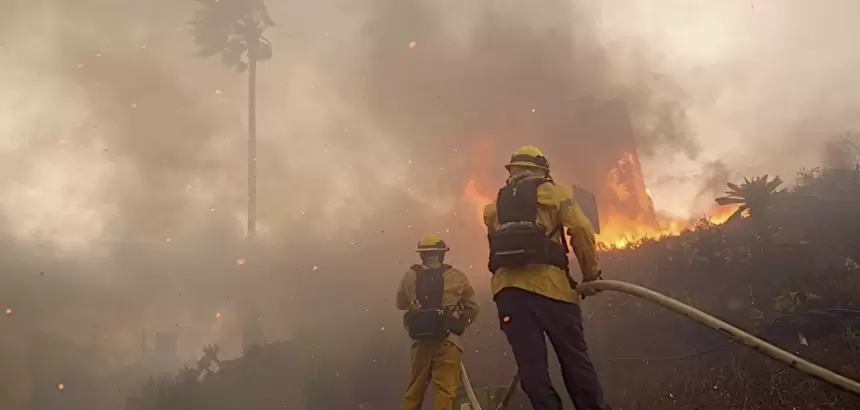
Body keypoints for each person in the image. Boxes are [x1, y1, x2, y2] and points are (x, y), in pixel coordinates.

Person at [483, 145, 610, 410]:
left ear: (512, 171)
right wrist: (591, 275)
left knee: (531, 367)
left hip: (509, 295)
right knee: (574, 359)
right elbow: (581, 230)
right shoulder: (555, 193)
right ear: (542, 170)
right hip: (553, 291)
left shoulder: (494, 207)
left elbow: (494, 249)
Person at [396, 232, 480, 410]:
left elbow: (400, 303)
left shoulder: (409, 276)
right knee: (445, 391)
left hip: (421, 342)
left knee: (414, 391)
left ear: (421, 254)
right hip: (447, 341)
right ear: (442, 253)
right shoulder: (457, 276)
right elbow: (472, 307)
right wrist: (458, 324)